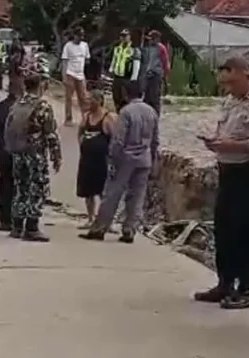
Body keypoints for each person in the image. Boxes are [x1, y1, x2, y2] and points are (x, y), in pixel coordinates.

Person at [191, 57, 249, 310]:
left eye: (232, 82)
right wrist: (214, 140)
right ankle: (225, 283)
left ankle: (246, 288)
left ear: (247, 75)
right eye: (225, 83)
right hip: (228, 172)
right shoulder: (229, 101)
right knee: (224, 228)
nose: (228, 87)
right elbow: (226, 132)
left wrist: (230, 146)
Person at [79, 81, 158, 243]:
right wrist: (153, 159)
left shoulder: (126, 112)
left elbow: (118, 140)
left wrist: (112, 159)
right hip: (144, 159)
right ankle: (129, 230)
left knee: (112, 194)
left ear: (125, 94)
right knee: (137, 196)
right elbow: (155, 140)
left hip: (125, 159)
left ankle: (99, 228)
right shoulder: (152, 112)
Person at [4, 74, 62, 242]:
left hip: (18, 153)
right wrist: (56, 156)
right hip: (35, 154)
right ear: (40, 86)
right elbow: (50, 133)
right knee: (37, 188)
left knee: (21, 188)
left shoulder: (18, 104)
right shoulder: (41, 106)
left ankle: (16, 226)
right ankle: (31, 227)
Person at [76, 90, 115, 228]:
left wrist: (111, 155)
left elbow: (114, 138)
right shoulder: (87, 116)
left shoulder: (107, 117)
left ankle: (105, 221)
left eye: (91, 100)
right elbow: (80, 131)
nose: (88, 102)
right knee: (88, 191)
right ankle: (91, 218)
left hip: (101, 161)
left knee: (103, 191)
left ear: (99, 101)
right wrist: (82, 143)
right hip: (87, 159)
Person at [0, 92, 19, 231]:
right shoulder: (19, 108)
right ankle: (13, 219)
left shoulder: (2, 107)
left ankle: (4, 219)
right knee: (16, 186)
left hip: (5, 153)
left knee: (5, 185)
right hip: (16, 153)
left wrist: (2, 148)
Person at [61, 27, 90, 126]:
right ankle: (68, 119)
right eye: (79, 35)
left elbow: (87, 60)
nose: (81, 38)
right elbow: (64, 62)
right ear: (74, 36)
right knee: (69, 98)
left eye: (82, 36)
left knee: (83, 97)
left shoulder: (85, 45)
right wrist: (64, 77)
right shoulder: (68, 46)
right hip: (70, 74)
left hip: (81, 75)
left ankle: (85, 118)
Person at [109, 29, 141, 111]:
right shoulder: (117, 48)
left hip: (127, 77)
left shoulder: (134, 49)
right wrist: (111, 69)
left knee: (126, 98)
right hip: (117, 76)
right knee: (116, 97)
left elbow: (136, 64)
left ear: (129, 37)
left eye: (125, 36)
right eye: (122, 36)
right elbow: (114, 59)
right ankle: (118, 112)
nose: (123, 38)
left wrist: (134, 78)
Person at [141, 30, 170, 115]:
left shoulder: (161, 48)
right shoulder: (148, 48)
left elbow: (165, 63)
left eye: (152, 39)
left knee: (155, 98)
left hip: (156, 75)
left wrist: (165, 77)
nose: (150, 40)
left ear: (156, 39)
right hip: (147, 75)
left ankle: (156, 115)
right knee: (146, 97)